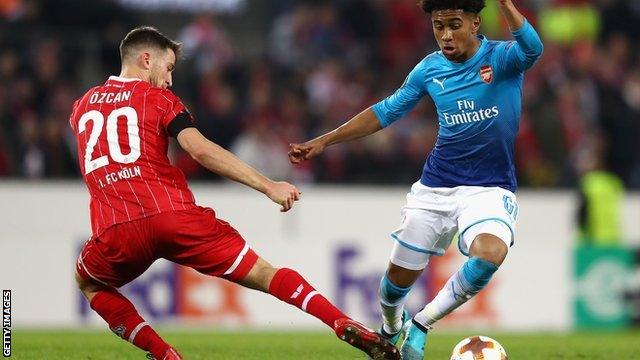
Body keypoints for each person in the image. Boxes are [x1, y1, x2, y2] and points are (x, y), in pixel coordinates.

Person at [70, 26, 399, 360]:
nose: (169, 80)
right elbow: (199, 150)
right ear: (146, 59)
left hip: (117, 229)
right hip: (174, 217)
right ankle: (340, 321)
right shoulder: (159, 99)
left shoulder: (80, 108)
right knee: (264, 273)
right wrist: (269, 185)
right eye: (168, 68)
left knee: (89, 283)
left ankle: (166, 355)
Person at [289, 0, 543, 358]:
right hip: (435, 188)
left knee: (490, 255)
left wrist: (504, 3)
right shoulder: (429, 69)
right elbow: (385, 111)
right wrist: (325, 140)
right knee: (393, 287)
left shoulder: (502, 59)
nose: (445, 35)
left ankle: (422, 325)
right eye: (439, 26)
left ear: (474, 23)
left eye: (454, 24)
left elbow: (533, 47)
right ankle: (392, 327)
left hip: (489, 188)